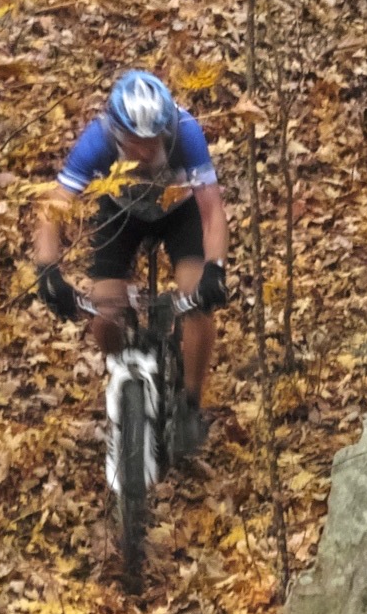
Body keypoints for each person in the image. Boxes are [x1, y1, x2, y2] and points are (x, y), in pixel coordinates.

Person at [31, 67, 230, 423]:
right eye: (136, 140)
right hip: (121, 213)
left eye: (154, 140)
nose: (145, 148)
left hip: (180, 211)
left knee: (195, 299)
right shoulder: (98, 139)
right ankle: (123, 380)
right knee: (106, 312)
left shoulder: (185, 134)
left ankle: (191, 402)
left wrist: (215, 268)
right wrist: (47, 269)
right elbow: (53, 208)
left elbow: (212, 211)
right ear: (118, 131)